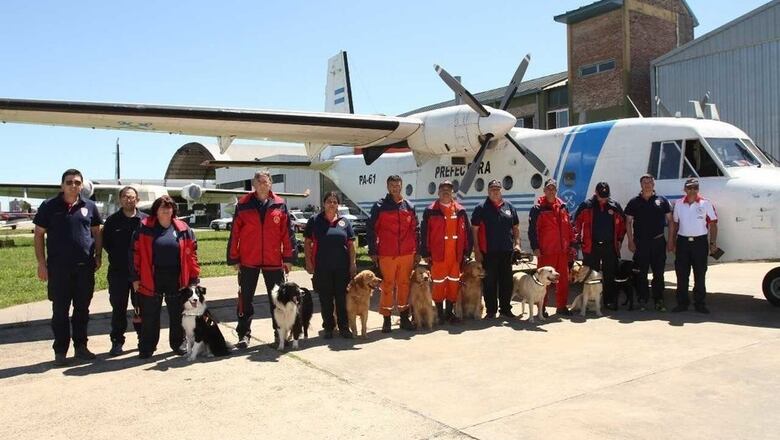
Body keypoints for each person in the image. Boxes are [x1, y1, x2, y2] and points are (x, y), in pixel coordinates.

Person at [33, 169, 102, 366]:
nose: (73, 185)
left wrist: (98, 255)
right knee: (60, 311)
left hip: (84, 268)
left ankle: (81, 347)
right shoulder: (49, 206)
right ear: (62, 185)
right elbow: (38, 235)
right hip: (59, 269)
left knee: (82, 310)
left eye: (77, 182)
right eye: (69, 182)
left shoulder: (89, 206)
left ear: (82, 185)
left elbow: (96, 232)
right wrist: (41, 263)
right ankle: (60, 351)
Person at [227, 169, 295, 347]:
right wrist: (234, 258)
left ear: (271, 184)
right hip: (248, 260)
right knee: (245, 300)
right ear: (254, 185)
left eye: (266, 182)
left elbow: (288, 234)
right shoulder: (243, 204)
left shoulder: (280, 204)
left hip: (273, 261)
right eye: (259, 183)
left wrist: (288, 257)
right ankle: (243, 335)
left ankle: (279, 334)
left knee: (277, 300)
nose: (263, 186)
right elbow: (235, 233)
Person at [130, 195, 200, 359]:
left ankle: (178, 344)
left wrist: (194, 277)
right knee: (150, 315)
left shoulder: (183, 228)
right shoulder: (144, 227)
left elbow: (192, 254)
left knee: (178, 314)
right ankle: (147, 346)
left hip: (177, 277)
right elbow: (135, 253)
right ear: (156, 210)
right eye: (163, 206)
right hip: (151, 277)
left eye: (169, 206)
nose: (166, 209)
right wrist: (135, 277)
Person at [367, 175, 419, 333]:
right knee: (387, 286)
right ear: (387, 187)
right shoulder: (379, 206)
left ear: (401, 186)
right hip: (387, 254)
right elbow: (371, 229)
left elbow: (415, 230)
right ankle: (386, 319)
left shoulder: (409, 206)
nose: (395, 188)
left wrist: (417, 252)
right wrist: (373, 251)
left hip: (407, 254)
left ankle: (404, 317)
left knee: (404, 285)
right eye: (392, 185)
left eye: (397, 185)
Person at [303, 191, 357, 339]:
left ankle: (344, 327)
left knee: (341, 299)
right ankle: (328, 327)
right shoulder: (315, 220)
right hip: (322, 267)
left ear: (338, 205)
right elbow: (307, 243)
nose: (332, 204)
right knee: (325, 299)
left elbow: (351, 245)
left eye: (335, 202)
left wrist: (352, 263)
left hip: (341, 268)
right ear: (324, 203)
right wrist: (308, 261)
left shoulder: (344, 222)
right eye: (329, 201)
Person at [102, 185, 147, 355]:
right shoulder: (112, 221)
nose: (129, 200)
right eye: (125, 197)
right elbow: (106, 243)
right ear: (120, 199)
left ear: (137, 199)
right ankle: (117, 341)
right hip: (118, 273)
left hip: (140, 273)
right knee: (118, 308)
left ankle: (143, 338)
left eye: (132, 197)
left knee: (141, 307)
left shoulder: (145, 221)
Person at [420, 180, 472, 324]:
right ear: (438, 192)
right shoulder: (430, 210)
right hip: (438, 256)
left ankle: (449, 313)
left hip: (455, 256)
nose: (445, 192)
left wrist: (467, 252)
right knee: (438, 284)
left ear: (453, 193)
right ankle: (440, 313)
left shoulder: (461, 211)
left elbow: (467, 233)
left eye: (448, 189)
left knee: (453, 284)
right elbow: (424, 233)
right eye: (442, 189)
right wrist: (425, 252)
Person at [471, 179, 521, 319]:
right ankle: (491, 310)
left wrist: (517, 244)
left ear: (501, 191)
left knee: (507, 282)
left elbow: (516, 227)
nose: (495, 191)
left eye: (497, 189)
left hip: (506, 251)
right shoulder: (481, 208)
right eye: (492, 189)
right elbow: (474, 230)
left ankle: (505, 309)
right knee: (490, 282)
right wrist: (477, 250)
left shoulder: (509, 207)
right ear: (488, 191)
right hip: (489, 252)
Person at [573, 182, 626, 311]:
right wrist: (577, 239)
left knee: (609, 275)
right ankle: (590, 303)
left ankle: (609, 301)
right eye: (601, 196)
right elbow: (576, 222)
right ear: (596, 193)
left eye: (606, 196)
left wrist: (619, 240)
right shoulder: (586, 205)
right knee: (591, 276)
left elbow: (622, 224)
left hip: (609, 246)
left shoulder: (614, 206)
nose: (603, 198)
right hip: (591, 246)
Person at [668, 178, 718, 314]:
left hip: (700, 243)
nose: (692, 190)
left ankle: (700, 303)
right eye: (689, 188)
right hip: (683, 242)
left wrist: (712, 243)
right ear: (685, 190)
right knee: (682, 274)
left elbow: (713, 224)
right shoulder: (678, 204)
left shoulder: (705, 203)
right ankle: (682, 303)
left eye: (695, 188)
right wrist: (672, 242)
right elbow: (676, 224)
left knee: (700, 274)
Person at [625, 174, 672, 312]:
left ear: (653, 184)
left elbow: (670, 221)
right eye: (644, 182)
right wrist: (630, 240)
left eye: (650, 182)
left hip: (658, 242)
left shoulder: (662, 201)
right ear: (641, 185)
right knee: (641, 273)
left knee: (658, 273)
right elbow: (628, 222)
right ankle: (642, 299)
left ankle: (659, 300)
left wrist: (670, 241)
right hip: (641, 243)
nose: (647, 185)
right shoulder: (634, 202)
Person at [528, 178, 575, 316]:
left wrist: (571, 244)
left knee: (563, 281)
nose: (551, 191)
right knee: (542, 282)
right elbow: (532, 230)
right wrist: (535, 247)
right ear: (544, 190)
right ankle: (541, 308)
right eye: (548, 188)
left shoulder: (563, 207)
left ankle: (561, 307)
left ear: (556, 191)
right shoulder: (538, 209)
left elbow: (569, 227)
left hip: (562, 252)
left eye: (553, 188)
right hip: (546, 251)